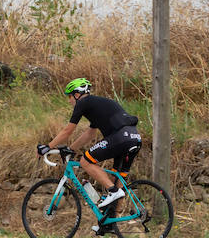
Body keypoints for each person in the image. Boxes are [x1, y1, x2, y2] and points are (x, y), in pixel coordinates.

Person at [37, 78, 141, 208]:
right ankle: (112, 222)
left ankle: (112, 192)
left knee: (85, 162)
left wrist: (48, 147)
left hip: (120, 137)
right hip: (134, 138)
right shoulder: (97, 105)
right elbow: (90, 134)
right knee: (116, 182)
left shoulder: (83, 103)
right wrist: (71, 148)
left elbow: (67, 130)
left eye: (69, 96)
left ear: (77, 94)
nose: (69, 101)